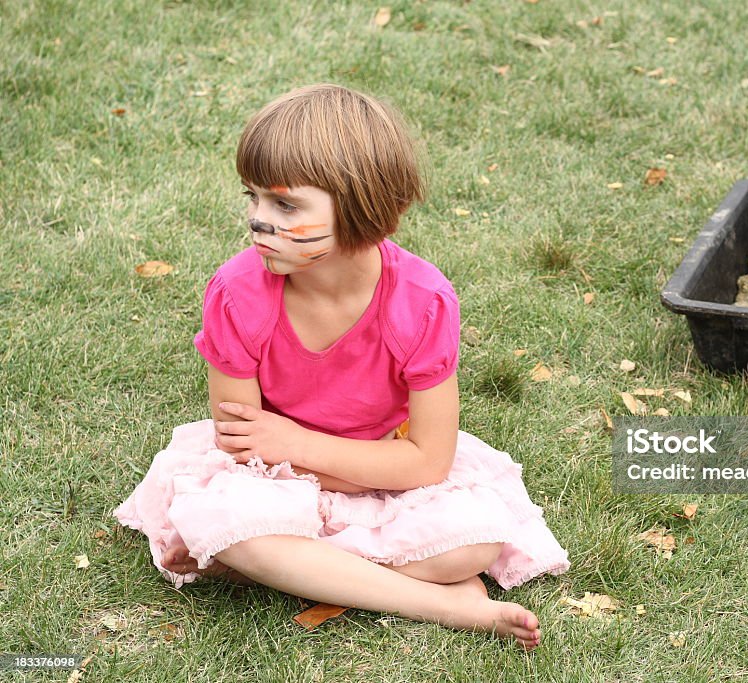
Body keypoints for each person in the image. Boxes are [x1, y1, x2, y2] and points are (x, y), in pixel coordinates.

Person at [114, 84, 569, 650]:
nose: (258, 221)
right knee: (235, 519)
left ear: (362, 205)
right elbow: (243, 449)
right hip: (275, 482)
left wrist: (298, 446)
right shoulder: (237, 293)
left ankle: (271, 568)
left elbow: (428, 462)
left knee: (473, 545)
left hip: (378, 468)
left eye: (284, 205)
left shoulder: (422, 301)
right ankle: (443, 603)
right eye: (252, 197)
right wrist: (311, 462)